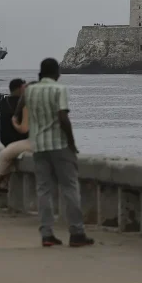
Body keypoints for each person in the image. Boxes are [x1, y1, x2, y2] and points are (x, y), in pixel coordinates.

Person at [21, 58, 94, 248]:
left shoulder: (30, 90)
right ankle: (77, 233)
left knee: (44, 190)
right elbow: (63, 118)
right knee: (69, 188)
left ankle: (47, 234)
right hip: (59, 145)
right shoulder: (59, 89)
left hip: (38, 146)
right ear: (56, 72)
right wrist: (72, 143)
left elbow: (17, 109)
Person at [0, 79, 29, 197]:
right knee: (8, 155)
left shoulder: (3, 101)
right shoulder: (25, 103)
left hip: (5, 139)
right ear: (20, 88)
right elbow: (24, 129)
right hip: (20, 138)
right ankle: (0, 183)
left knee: (7, 155)